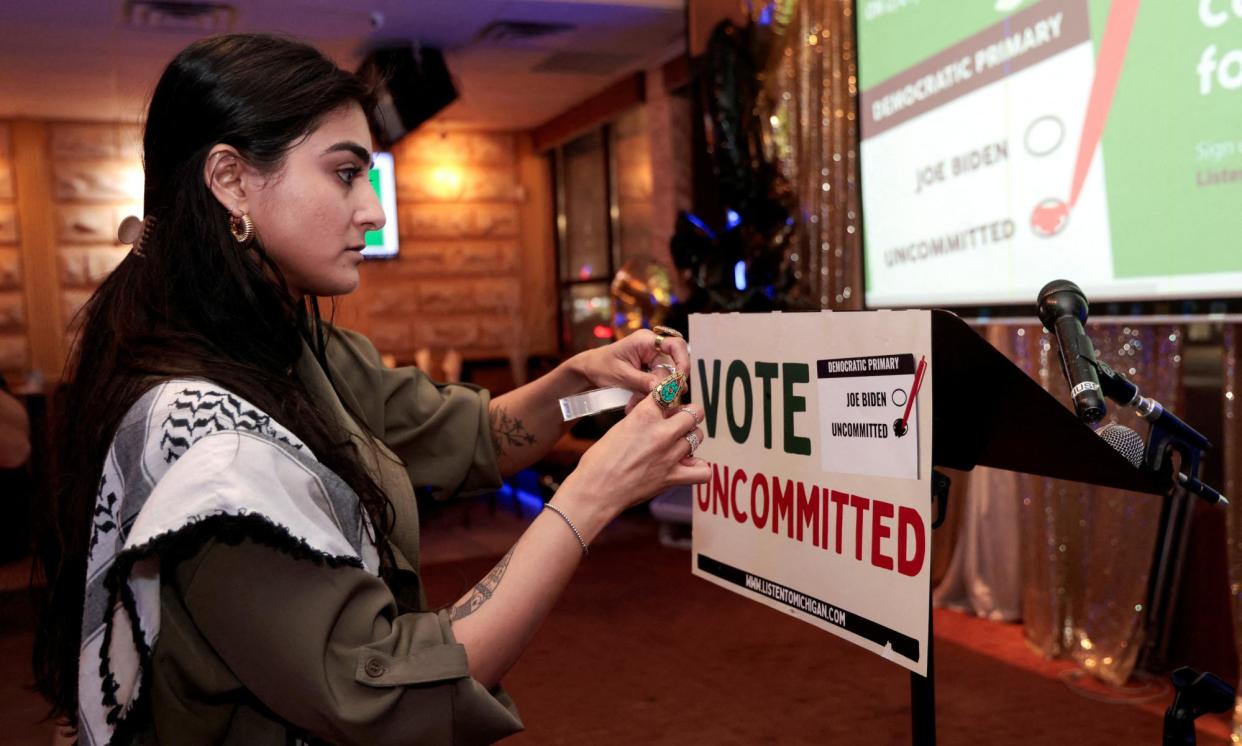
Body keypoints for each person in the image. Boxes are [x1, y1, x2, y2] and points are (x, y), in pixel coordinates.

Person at [32, 33, 709, 745]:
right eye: (346, 173)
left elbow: (456, 432)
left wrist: (580, 383)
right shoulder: (209, 446)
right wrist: (591, 494)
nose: (375, 211)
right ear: (230, 180)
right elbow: (381, 693)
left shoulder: (283, 339)